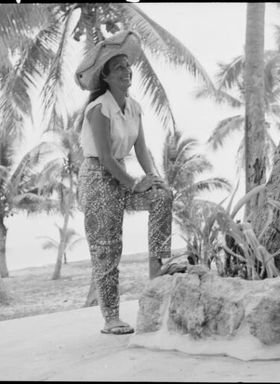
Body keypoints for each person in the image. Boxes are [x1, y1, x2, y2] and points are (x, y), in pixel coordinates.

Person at [75, 30, 173, 335]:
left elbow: (141, 149)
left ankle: (156, 272)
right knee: (107, 248)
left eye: (128, 67)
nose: (127, 72)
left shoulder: (134, 107)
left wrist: (153, 177)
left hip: (120, 177)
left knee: (162, 197)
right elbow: (104, 157)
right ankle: (111, 317)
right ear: (105, 76)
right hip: (96, 178)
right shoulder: (98, 108)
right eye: (119, 68)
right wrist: (134, 183)